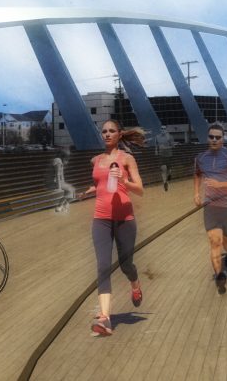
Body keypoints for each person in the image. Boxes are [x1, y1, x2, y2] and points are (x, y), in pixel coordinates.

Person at [83, 119, 146, 337]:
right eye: (104, 131)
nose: (107, 134)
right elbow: (101, 184)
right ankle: (105, 318)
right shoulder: (96, 160)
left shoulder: (127, 159)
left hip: (125, 220)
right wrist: (90, 190)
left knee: (125, 264)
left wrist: (124, 180)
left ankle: (135, 283)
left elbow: (140, 189)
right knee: (102, 266)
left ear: (120, 134)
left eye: (112, 131)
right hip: (100, 219)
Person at [195, 124, 227, 295]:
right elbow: (197, 174)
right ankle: (219, 275)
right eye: (211, 137)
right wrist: (196, 193)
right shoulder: (201, 157)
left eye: (218, 137)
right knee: (215, 241)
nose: (214, 140)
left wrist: (220, 184)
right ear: (207, 138)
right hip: (210, 206)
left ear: (223, 138)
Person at [53, 147, 77, 212]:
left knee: (72, 190)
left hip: (59, 181)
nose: (67, 159)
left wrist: (63, 183)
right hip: (55, 182)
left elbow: (61, 175)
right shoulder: (58, 161)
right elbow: (57, 175)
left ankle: (63, 205)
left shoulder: (60, 162)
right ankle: (60, 206)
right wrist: (59, 187)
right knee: (70, 190)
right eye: (66, 157)